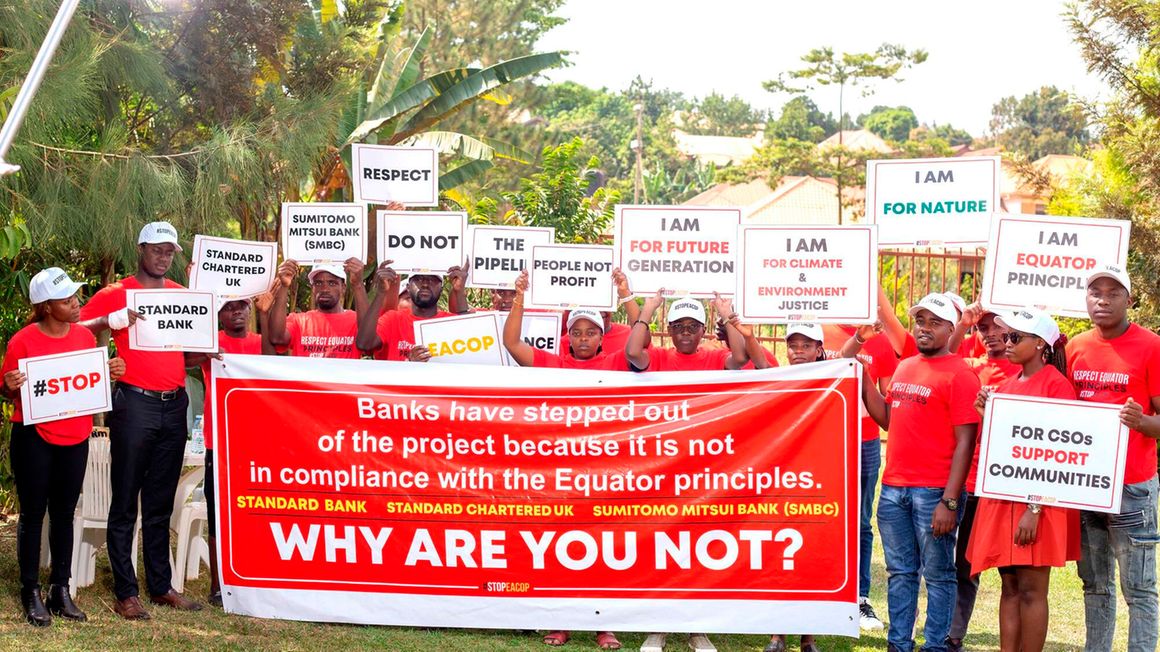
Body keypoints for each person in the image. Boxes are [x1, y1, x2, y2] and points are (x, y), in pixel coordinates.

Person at [78, 221, 202, 618]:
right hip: (134, 403)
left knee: (160, 501)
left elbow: (194, 351)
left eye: (170, 252)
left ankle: (161, 586)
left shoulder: (183, 296)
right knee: (126, 499)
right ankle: (125, 592)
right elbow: (72, 330)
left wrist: (214, 349)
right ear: (141, 249)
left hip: (175, 403)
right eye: (157, 250)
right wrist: (109, 323)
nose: (164, 257)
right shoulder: (115, 294)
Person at [1, 268, 126, 626]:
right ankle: (30, 590)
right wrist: (9, 385)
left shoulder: (86, 338)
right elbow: (8, 389)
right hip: (34, 436)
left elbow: (91, 383)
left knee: (64, 512)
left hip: (75, 436)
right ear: (45, 307)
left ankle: (60, 589)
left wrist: (111, 371)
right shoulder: (22, 341)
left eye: (75, 297)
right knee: (32, 513)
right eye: (67, 299)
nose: (75, 303)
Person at [862, 293, 981, 652]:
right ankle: (899, 644)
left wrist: (949, 499)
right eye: (921, 321)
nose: (925, 328)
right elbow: (887, 419)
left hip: (934, 492)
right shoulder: (905, 366)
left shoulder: (961, 374)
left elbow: (966, 441)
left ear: (951, 328)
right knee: (900, 574)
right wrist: (863, 378)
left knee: (939, 575)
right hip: (894, 488)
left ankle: (935, 646)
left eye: (934, 322)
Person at [967, 307, 1079, 652]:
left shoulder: (1058, 386)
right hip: (1002, 500)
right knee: (1010, 587)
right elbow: (1000, 450)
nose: (1006, 341)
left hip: (1039, 503)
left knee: (1032, 589)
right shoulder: (1004, 386)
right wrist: (987, 414)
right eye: (1006, 335)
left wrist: (1035, 507)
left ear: (1040, 344)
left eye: (1016, 337)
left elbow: (1059, 454)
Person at [1067, 264, 1160, 652]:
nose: (1102, 299)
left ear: (1130, 300)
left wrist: (1142, 422)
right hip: (1086, 484)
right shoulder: (1075, 347)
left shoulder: (1152, 346)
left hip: (1132, 486)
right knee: (1095, 584)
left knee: (1139, 589)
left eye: (1113, 292)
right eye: (1095, 292)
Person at [942, 304, 1018, 651]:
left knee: (1008, 571)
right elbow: (945, 356)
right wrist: (963, 323)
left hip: (1004, 485)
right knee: (964, 566)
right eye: (982, 329)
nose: (988, 334)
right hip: (969, 481)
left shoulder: (1023, 370)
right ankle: (953, 634)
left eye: (994, 327)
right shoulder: (972, 367)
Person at [185, 296, 267, 606]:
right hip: (217, 439)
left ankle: (255, 576)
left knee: (257, 509)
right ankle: (218, 584)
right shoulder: (211, 341)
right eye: (228, 308)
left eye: (241, 307)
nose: (236, 313)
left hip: (257, 439)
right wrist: (204, 350)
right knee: (218, 512)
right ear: (218, 314)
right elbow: (183, 360)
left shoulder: (261, 342)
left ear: (249, 309)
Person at [830, 322, 895, 632]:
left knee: (860, 522)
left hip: (865, 439)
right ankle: (826, 594)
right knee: (822, 517)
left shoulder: (880, 341)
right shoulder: (816, 328)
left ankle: (860, 597)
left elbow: (888, 400)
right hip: (825, 436)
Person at [504, 269, 637, 372]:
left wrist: (625, 294)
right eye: (577, 333)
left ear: (601, 338)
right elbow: (512, 343)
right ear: (569, 338)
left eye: (590, 333)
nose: (583, 338)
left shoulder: (615, 363)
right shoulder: (555, 366)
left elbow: (640, 344)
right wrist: (520, 296)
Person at [355, 261, 465, 362]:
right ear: (408, 287)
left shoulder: (450, 323)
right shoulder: (392, 319)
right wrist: (381, 292)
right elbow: (364, 344)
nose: (425, 284)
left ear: (441, 289)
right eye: (418, 279)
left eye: (432, 280)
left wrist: (459, 291)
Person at [265, 258, 368, 358]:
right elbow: (277, 338)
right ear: (312, 288)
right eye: (318, 283)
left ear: (343, 287)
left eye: (332, 283)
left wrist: (358, 284)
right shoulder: (299, 321)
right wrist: (284, 286)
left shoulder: (356, 320)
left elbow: (368, 342)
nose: (325, 289)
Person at [625, 292, 755, 371]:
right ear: (669, 331)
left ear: (703, 331)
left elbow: (740, 359)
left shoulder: (714, 358)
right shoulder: (658, 357)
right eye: (678, 326)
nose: (685, 332)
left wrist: (726, 313)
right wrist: (648, 309)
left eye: (693, 326)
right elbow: (633, 353)